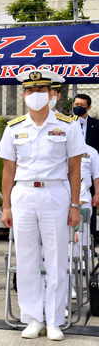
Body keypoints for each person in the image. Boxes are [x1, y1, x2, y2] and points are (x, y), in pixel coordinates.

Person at [0, 69, 84, 341]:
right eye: (30, 91)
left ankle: (55, 319)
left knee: (57, 258)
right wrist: (6, 206)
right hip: (23, 195)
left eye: (41, 91)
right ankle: (33, 318)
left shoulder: (67, 126)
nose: (35, 96)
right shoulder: (14, 128)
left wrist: (74, 205)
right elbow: (8, 171)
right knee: (26, 260)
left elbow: (75, 169)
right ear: (24, 96)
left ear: (52, 95)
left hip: (56, 194)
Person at [73, 93, 99, 248]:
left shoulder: (96, 125)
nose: (78, 107)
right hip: (71, 173)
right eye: (76, 104)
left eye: (81, 105)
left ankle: (89, 247)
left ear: (89, 107)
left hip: (90, 168)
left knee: (90, 215)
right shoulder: (67, 123)